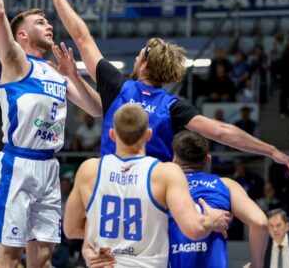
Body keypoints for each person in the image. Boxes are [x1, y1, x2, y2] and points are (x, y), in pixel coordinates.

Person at [39, 0, 289, 179]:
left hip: (113, 185)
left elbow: (83, 37)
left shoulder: (118, 86)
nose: (136, 57)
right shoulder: (173, 107)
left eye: (140, 54)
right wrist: (270, 150)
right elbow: (223, 133)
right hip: (155, 192)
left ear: (143, 65)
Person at [0, 0, 102, 267]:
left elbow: (98, 110)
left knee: (44, 258)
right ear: (21, 35)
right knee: (8, 255)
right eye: (40, 22)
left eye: (48, 22)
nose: (49, 25)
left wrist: (74, 76)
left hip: (49, 166)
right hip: (18, 165)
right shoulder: (16, 62)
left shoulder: (57, 70)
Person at [64, 103, 230, 267]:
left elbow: (70, 229)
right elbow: (193, 229)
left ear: (112, 134)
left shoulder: (89, 170)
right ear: (149, 135)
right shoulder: (165, 173)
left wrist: (91, 242)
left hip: (107, 262)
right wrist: (211, 221)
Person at [168, 131, 268, 268]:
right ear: (208, 160)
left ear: (174, 161)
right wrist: (257, 264)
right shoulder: (226, 185)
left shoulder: (163, 189)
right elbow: (260, 223)